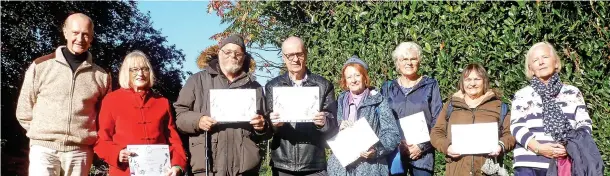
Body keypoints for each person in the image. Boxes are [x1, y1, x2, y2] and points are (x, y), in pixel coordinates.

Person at [15, 13, 112, 176]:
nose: (80, 38)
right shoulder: (41, 66)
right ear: (65, 32)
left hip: (80, 152)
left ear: (91, 37)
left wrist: (89, 139)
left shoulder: (101, 76)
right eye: (75, 33)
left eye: (85, 34)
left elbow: (106, 118)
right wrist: (41, 134)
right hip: (43, 150)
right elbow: (24, 109)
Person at [173, 34, 271, 176]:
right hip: (207, 168)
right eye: (228, 52)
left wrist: (262, 126)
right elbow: (180, 117)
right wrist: (198, 120)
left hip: (245, 170)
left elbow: (266, 129)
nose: (233, 56)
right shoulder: (197, 81)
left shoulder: (254, 87)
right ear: (219, 53)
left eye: (238, 53)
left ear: (243, 57)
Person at [94, 51, 186, 176]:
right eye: (134, 69)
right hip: (124, 172)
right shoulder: (111, 100)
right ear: (126, 72)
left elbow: (173, 140)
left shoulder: (162, 102)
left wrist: (177, 165)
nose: (140, 74)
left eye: (145, 69)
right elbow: (101, 139)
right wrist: (117, 154)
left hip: (161, 172)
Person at [510, 42, 595, 175]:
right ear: (531, 68)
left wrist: (571, 147)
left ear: (556, 62)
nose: (541, 62)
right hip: (529, 164)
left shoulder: (573, 92)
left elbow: (584, 124)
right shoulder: (522, 95)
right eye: (535, 60)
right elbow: (517, 126)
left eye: (545, 57)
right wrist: (539, 148)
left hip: (565, 162)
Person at [264, 36, 338, 176]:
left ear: (306, 54)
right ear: (284, 58)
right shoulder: (272, 86)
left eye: (299, 54)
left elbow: (333, 123)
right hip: (282, 165)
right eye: (290, 55)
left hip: (314, 165)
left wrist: (324, 122)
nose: (295, 59)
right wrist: (273, 123)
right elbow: (266, 128)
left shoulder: (324, 85)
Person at [430, 63, 516, 176]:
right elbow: (436, 133)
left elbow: (511, 134)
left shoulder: (499, 106)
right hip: (457, 171)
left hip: (487, 171)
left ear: (484, 81)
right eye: (468, 79)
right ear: (462, 82)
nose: (472, 83)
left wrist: (500, 145)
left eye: (477, 79)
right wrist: (447, 147)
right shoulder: (451, 105)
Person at [326, 56, 400, 176]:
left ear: (365, 77)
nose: (353, 80)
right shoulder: (340, 101)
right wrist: (338, 129)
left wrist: (376, 150)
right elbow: (328, 132)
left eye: (357, 75)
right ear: (345, 81)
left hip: (370, 168)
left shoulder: (379, 101)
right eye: (349, 77)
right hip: (340, 169)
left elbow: (392, 134)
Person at [380, 42, 442, 176]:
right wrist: (396, 143)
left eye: (413, 58)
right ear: (397, 63)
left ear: (419, 61)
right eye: (404, 59)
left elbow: (438, 120)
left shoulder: (430, 85)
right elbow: (382, 120)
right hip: (394, 152)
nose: (409, 63)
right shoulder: (387, 87)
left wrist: (421, 146)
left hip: (422, 155)